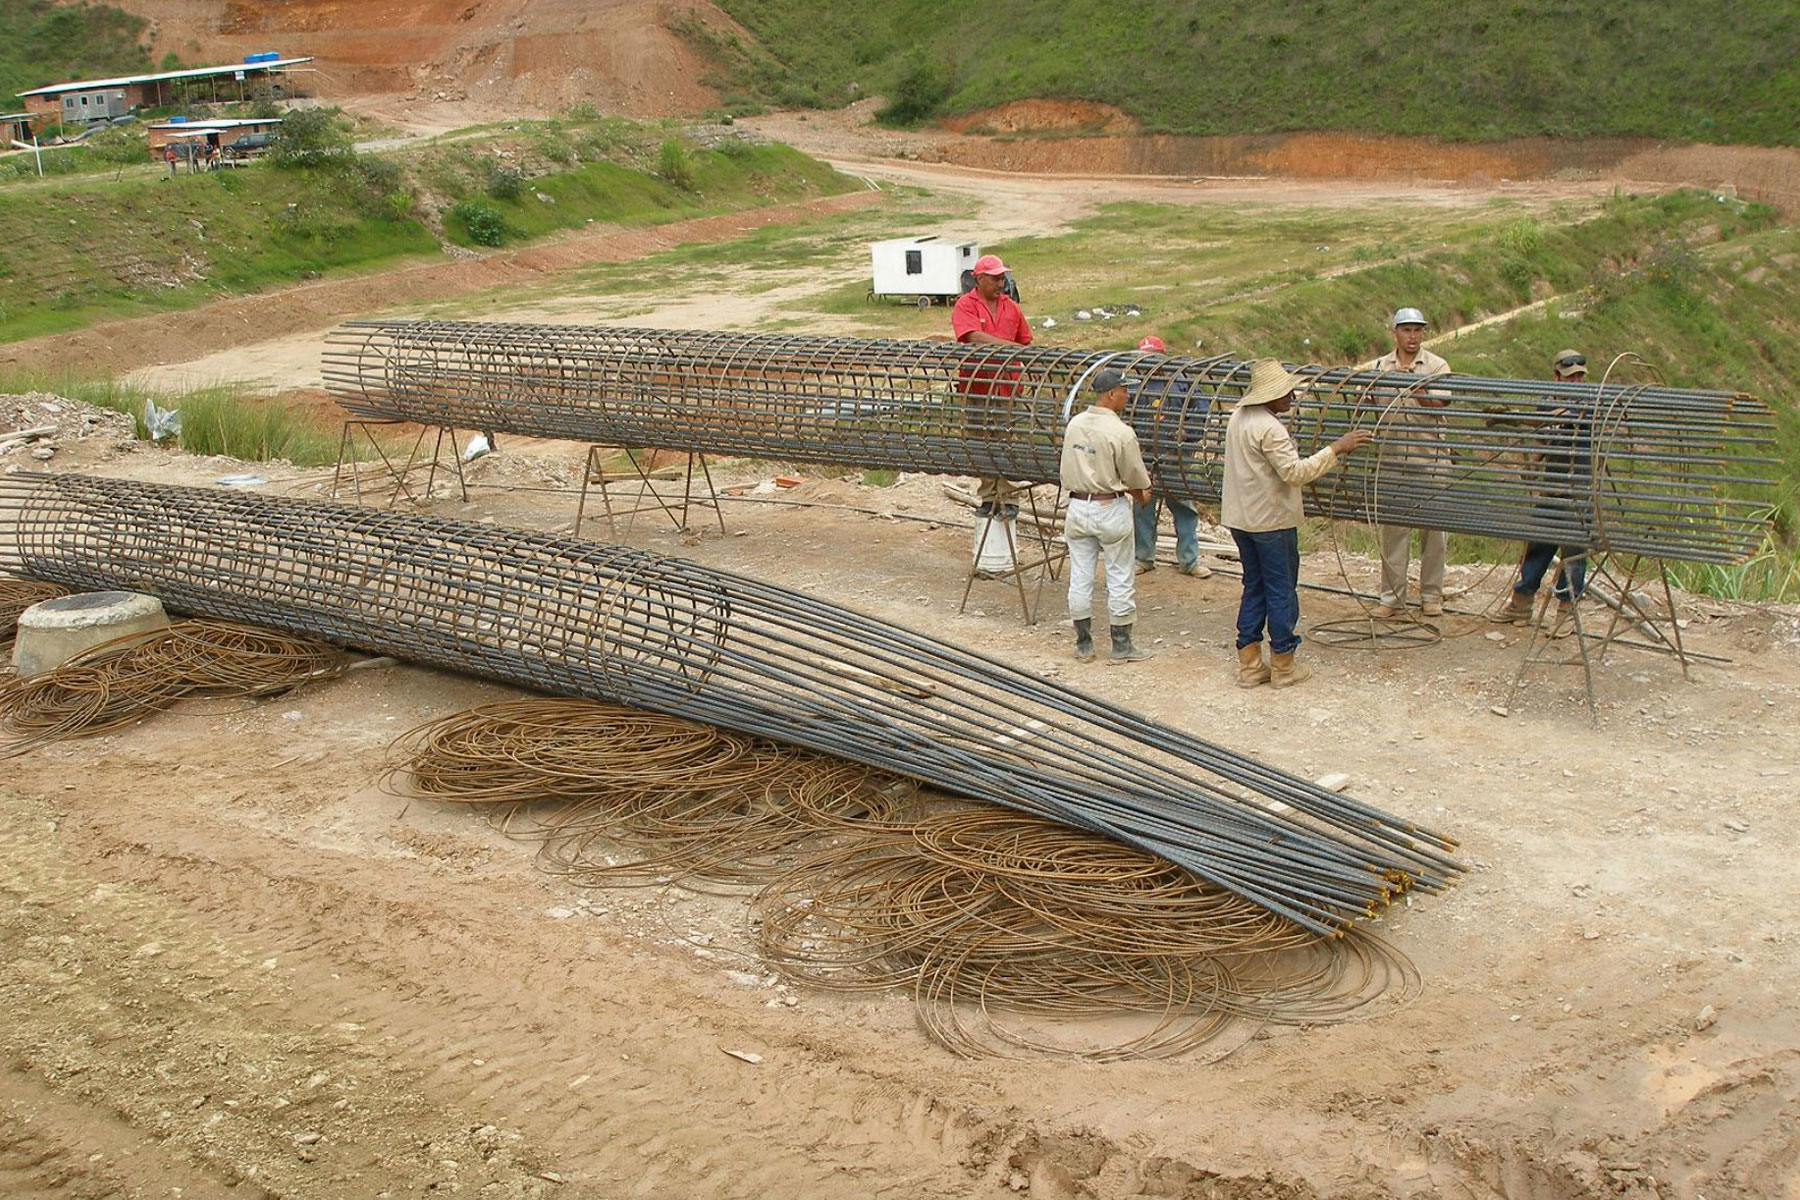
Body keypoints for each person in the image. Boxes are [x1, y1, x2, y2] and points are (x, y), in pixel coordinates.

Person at [1224, 359, 1374, 688]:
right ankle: (1283, 665)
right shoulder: (1270, 428)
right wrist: (1336, 448)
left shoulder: (1238, 418)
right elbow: (1295, 473)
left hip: (1241, 519)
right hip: (1271, 522)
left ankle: (1249, 666)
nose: (1291, 395)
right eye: (1285, 391)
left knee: (1254, 586)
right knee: (1280, 590)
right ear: (1270, 395)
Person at [1492, 349, 1594, 635]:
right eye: (1569, 377)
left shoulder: (1591, 404)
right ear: (1556, 376)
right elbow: (1542, 436)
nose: (1575, 382)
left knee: (1573, 553)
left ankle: (1566, 612)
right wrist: (1533, 464)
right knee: (1537, 545)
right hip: (1551, 487)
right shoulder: (1546, 402)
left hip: (1578, 490)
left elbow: (1562, 420)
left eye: (1579, 378)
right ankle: (1521, 604)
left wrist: (1518, 418)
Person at [1060, 368, 1154, 664]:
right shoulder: (1121, 433)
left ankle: (1084, 644)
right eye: (1125, 391)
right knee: (1119, 576)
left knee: (1080, 576)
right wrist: (1142, 497)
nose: (1128, 395)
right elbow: (1136, 479)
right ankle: (1121, 645)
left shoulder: (1075, 424)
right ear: (1111, 394)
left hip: (1077, 507)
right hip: (1108, 507)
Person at [1371, 307, 1452, 619]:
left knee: (1434, 535)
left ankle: (1432, 596)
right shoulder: (1380, 366)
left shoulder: (1436, 365)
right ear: (1395, 333)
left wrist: (1416, 388)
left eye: (1418, 330)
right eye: (1407, 330)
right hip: (1393, 463)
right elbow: (1371, 406)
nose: (1413, 336)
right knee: (1393, 534)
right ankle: (1391, 598)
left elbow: (1441, 402)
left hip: (1431, 461)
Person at [952, 253, 1031, 518]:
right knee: (981, 440)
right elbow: (972, 336)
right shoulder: (965, 305)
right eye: (996, 278)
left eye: (1002, 278)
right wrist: (1009, 347)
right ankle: (988, 496)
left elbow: (1025, 340)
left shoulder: (1012, 307)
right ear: (980, 279)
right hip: (978, 385)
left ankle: (1008, 498)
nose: (1001, 283)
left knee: (1007, 438)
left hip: (1008, 385)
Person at [1129, 335, 1211, 578]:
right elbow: (1123, 416)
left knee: (1183, 505)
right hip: (1145, 454)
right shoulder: (1134, 384)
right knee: (1143, 505)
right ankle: (1144, 557)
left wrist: (1187, 433)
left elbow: (1202, 412)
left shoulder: (1184, 383)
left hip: (1178, 456)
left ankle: (1189, 560)